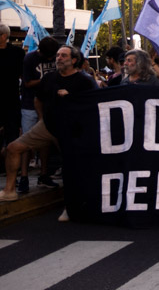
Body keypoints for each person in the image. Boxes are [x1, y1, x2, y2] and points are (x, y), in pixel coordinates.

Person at [0, 46, 97, 202]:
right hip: (48, 125)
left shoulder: (85, 81)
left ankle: (74, 202)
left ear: (73, 60)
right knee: (13, 148)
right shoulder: (49, 78)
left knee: (73, 164)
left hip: (72, 129)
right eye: (57, 55)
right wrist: (41, 118)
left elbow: (94, 105)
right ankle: (9, 190)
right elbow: (38, 99)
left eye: (64, 56)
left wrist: (71, 97)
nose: (59, 58)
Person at [15, 36, 59, 194]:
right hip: (29, 105)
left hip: (48, 104)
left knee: (45, 141)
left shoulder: (57, 55)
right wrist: (48, 80)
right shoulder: (30, 59)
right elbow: (27, 83)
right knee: (26, 141)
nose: (53, 59)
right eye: (50, 57)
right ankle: (24, 177)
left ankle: (43, 174)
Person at [0, 24, 25, 157]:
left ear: (4, 36)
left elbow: (23, 76)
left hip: (11, 100)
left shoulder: (17, 53)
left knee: (12, 135)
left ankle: (11, 166)